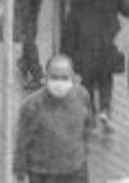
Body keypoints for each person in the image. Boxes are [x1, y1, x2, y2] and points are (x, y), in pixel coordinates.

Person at [58, 0, 129, 127]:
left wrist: (66, 43)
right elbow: (125, 8)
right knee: (106, 77)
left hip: (85, 38)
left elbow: (73, 14)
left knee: (88, 79)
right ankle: (105, 110)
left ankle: (89, 113)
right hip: (110, 36)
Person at [15, 52, 90, 183]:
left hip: (75, 171)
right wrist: (20, 170)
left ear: (72, 77)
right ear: (46, 77)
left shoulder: (82, 96)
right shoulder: (32, 106)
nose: (59, 83)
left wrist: (83, 156)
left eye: (64, 77)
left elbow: (86, 130)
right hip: (43, 173)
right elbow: (23, 140)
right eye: (55, 77)